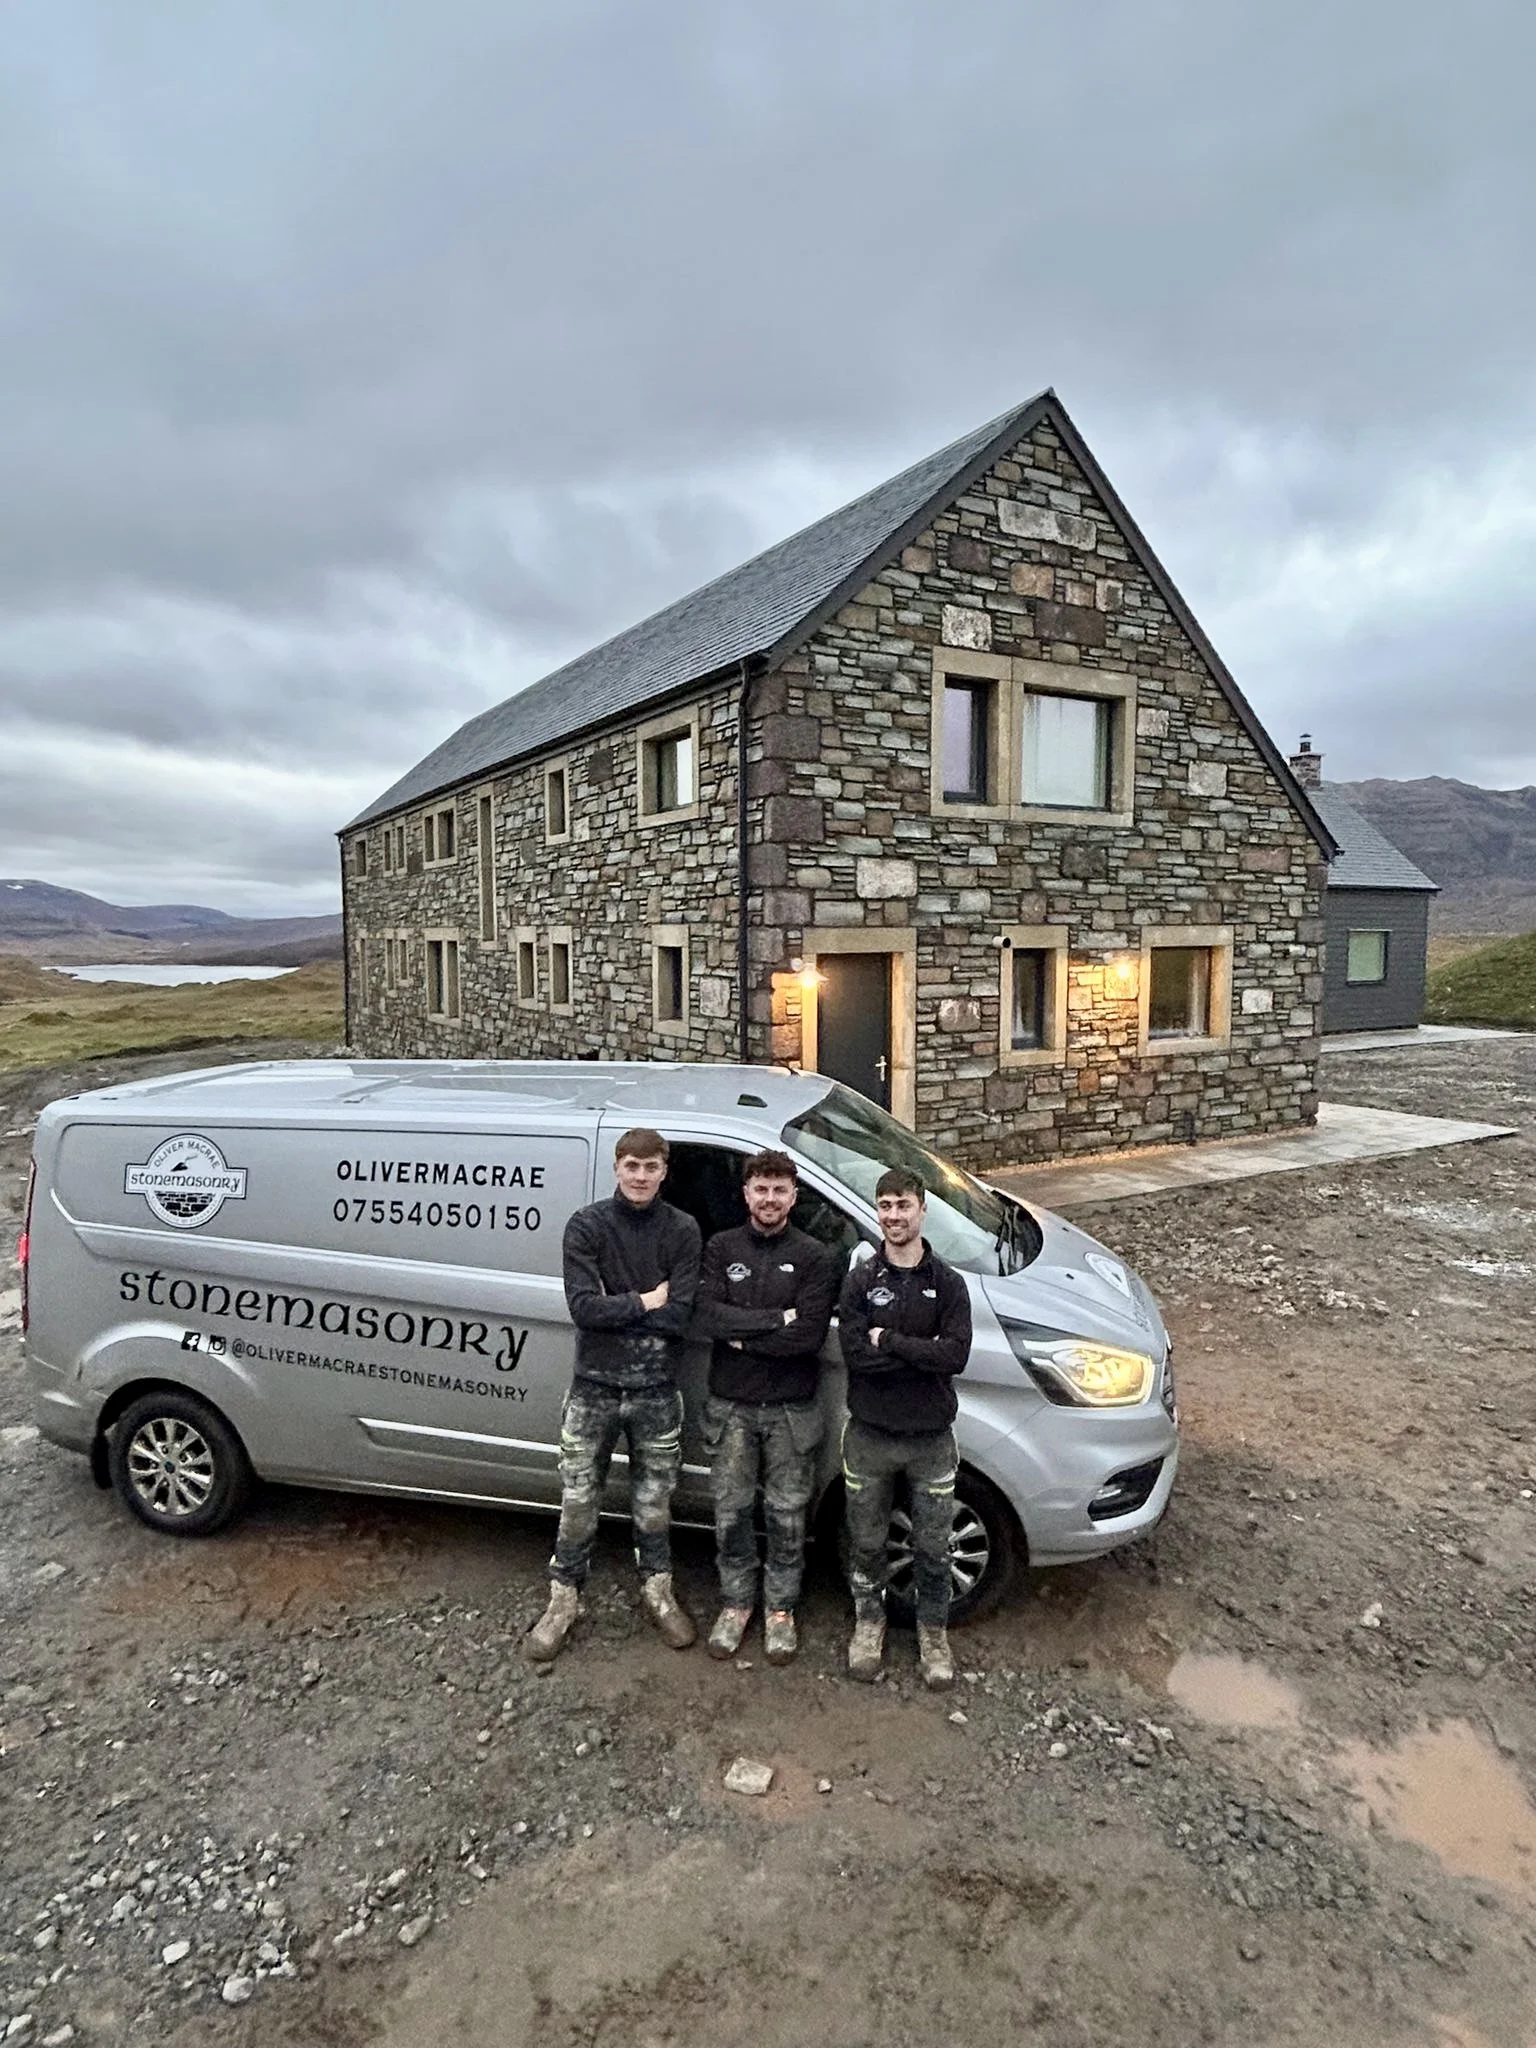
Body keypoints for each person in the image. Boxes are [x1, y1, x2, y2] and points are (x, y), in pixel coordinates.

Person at [525, 1127, 702, 1662]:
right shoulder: (588, 1225)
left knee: (654, 1501)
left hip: (656, 1390)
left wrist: (619, 1306)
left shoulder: (683, 1229)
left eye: (651, 1167)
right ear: (617, 1168)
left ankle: (658, 1591)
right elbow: (584, 1309)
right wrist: (647, 1299)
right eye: (632, 1166)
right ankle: (563, 1599)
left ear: (664, 1171)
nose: (641, 1176)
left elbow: (680, 1316)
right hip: (593, 1387)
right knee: (579, 1499)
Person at [691, 1151, 838, 1665]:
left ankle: (780, 1610)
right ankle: (736, 1603)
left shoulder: (816, 1257)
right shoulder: (721, 1247)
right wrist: (777, 1318)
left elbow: (808, 1337)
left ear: (794, 1197)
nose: (769, 1199)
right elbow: (709, 1317)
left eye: (779, 1190)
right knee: (731, 1510)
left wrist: (742, 1336)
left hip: (790, 1410)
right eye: (761, 1189)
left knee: (787, 1514)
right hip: (730, 1407)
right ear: (746, 1194)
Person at [836, 1166, 972, 1690]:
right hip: (870, 1436)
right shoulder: (860, 1281)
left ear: (922, 1210)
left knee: (934, 1547)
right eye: (885, 1206)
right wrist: (921, 1354)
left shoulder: (949, 1284)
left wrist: (889, 1341)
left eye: (903, 1205)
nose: (894, 1216)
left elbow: (954, 1356)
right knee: (866, 1541)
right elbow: (856, 1357)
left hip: (930, 1440)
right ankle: (868, 1623)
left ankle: (933, 1633)